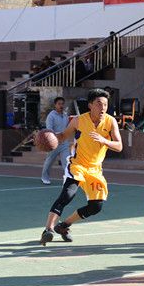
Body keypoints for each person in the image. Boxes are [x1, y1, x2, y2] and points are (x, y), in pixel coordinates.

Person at [39, 89, 122, 246]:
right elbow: (63, 136)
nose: (103, 108)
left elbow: (119, 146)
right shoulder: (78, 120)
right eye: (99, 104)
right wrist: (49, 138)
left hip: (95, 169)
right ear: (90, 105)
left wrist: (104, 141)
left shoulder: (111, 121)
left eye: (105, 104)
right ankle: (48, 229)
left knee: (96, 207)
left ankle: (64, 226)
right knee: (67, 195)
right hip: (77, 165)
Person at [40, 97, 71, 185]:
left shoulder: (65, 115)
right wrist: (57, 135)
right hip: (53, 143)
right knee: (49, 161)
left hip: (64, 143)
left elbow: (68, 128)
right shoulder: (51, 116)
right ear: (55, 105)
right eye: (59, 104)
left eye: (62, 104)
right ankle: (44, 177)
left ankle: (68, 179)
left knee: (67, 161)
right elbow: (49, 130)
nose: (61, 106)